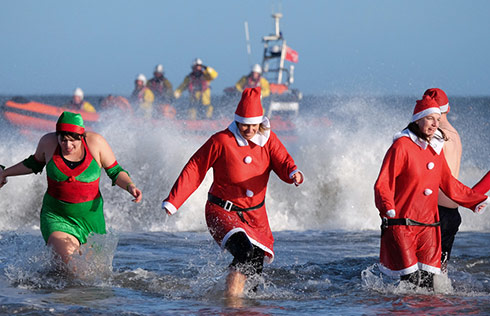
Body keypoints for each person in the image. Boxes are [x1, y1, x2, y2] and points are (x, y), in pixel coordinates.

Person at [162, 87, 304, 297]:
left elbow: (283, 160)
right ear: (237, 121)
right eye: (244, 125)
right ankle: (231, 303)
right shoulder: (221, 141)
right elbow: (195, 167)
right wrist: (174, 201)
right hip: (222, 211)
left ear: (260, 122)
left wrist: (293, 173)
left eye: (253, 125)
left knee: (255, 267)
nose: (248, 130)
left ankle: (242, 304)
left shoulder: (268, 140)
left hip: (256, 216)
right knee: (244, 253)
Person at [0, 111, 142, 272]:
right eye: (63, 139)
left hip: (91, 221)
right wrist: (4, 173)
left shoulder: (96, 143)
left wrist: (130, 186)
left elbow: (115, 172)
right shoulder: (48, 142)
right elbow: (33, 164)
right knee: (73, 268)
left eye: (72, 140)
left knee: (93, 277)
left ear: (82, 136)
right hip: (57, 217)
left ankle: (53, 286)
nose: (67, 145)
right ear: (57, 135)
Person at [374, 95, 488, 289]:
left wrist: (474, 200)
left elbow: (449, 182)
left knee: (428, 285)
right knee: (409, 283)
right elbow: (383, 182)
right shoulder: (401, 146)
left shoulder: (436, 148)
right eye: (429, 119)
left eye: (437, 119)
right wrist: (387, 207)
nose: (435, 124)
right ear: (418, 119)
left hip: (430, 226)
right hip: (404, 224)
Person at [422, 88, 462, 271]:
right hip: (452, 211)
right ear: (449, 108)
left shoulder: (437, 135)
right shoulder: (454, 134)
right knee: (441, 269)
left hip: (436, 212)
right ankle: (443, 300)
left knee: (424, 271)